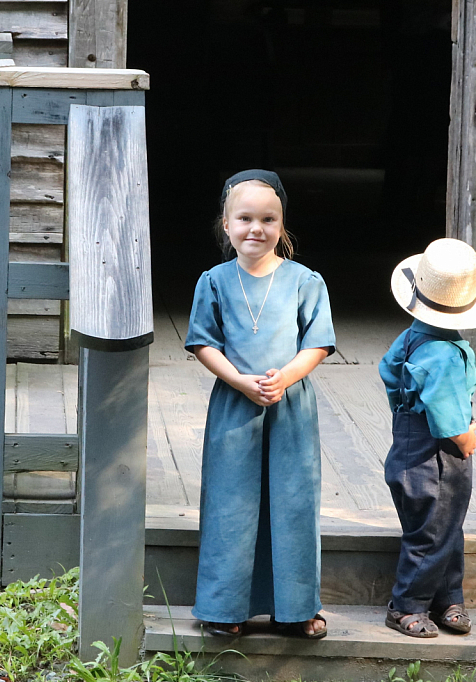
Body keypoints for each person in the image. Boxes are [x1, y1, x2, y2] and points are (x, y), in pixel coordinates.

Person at [184, 169, 336, 639]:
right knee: (231, 502)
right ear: (226, 225)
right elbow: (203, 342)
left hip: (290, 407)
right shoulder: (213, 281)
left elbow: (318, 342)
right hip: (235, 406)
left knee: (293, 502)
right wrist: (240, 381)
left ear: (281, 226)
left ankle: (295, 609)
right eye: (245, 218)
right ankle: (223, 607)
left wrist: (285, 378)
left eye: (268, 219)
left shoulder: (304, 280)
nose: (257, 228)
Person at [379, 238, 476, 638]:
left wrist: (405, 405)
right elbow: (448, 415)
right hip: (438, 454)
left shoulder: (412, 336)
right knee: (432, 529)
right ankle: (407, 606)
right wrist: (463, 439)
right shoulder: (445, 354)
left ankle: (448, 598)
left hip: (408, 444)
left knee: (444, 527)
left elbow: (388, 370)